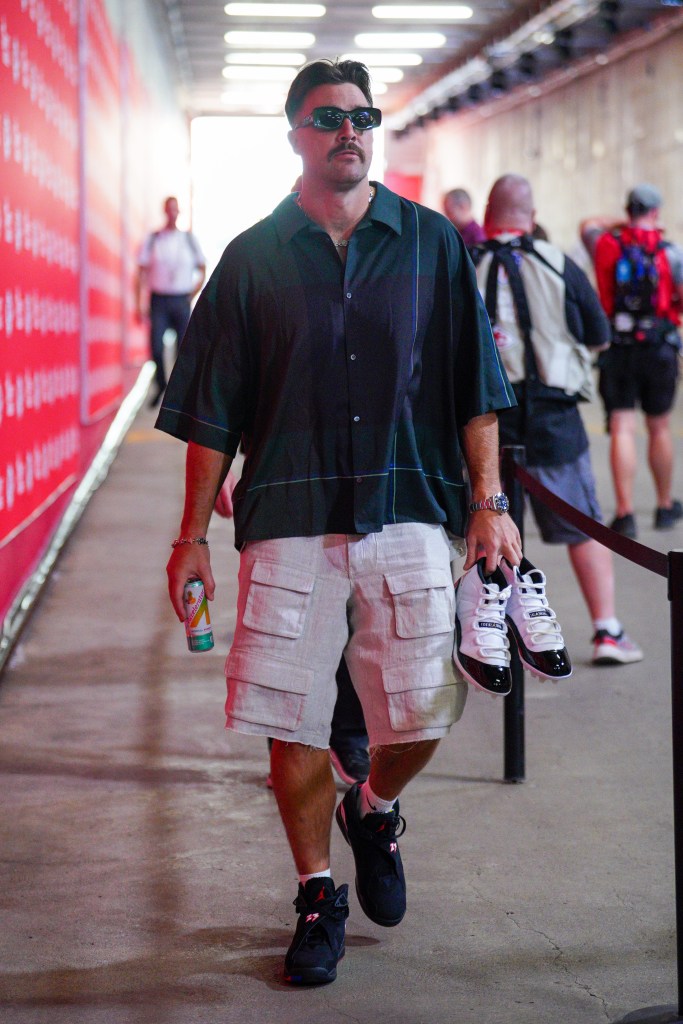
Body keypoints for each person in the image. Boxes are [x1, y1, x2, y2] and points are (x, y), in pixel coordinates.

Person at [157, 58, 522, 987]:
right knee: (291, 716)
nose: (348, 130)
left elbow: (475, 389)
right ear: (295, 135)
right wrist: (191, 534)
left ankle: (372, 806)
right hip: (289, 512)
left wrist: (487, 506)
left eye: (363, 116)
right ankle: (316, 891)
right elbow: (208, 414)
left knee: (428, 707)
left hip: (408, 504)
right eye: (328, 118)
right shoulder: (250, 258)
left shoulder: (432, 243)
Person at [470, 174, 643, 667]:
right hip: (553, 419)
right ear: (533, 215)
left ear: (487, 216)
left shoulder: (464, 265)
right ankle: (607, 631)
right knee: (582, 527)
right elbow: (596, 333)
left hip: (486, 425)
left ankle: (489, 639)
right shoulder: (559, 263)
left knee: (487, 530)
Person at [215, 473, 371, 786]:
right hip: (282, 462)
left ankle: (349, 734)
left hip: (373, 465)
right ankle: (286, 742)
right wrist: (220, 462)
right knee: (287, 613)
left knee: (362, 611)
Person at [580, 185, 683, 537]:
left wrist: (622, 224)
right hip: (659, 350)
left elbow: (587, 224)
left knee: (622, 428)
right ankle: (665, 505)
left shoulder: (606, 245)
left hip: (618, 349)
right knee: (659, 427)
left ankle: (625, 513)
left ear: (628, 209)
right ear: (656, 211)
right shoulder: (670, 252)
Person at [135, 196, 207, 407]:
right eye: (169, 209)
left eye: (176, 210)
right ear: (165, 211)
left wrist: (192, 293)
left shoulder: (188, 240)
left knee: (183, 349)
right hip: (159, 300)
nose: (172, 213)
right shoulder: (154, 239)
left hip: (180, 299)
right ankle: (161, 384)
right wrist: (139, 300)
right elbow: (140, 271)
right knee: (156, 346)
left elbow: (202, 268)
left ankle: (180, 393)